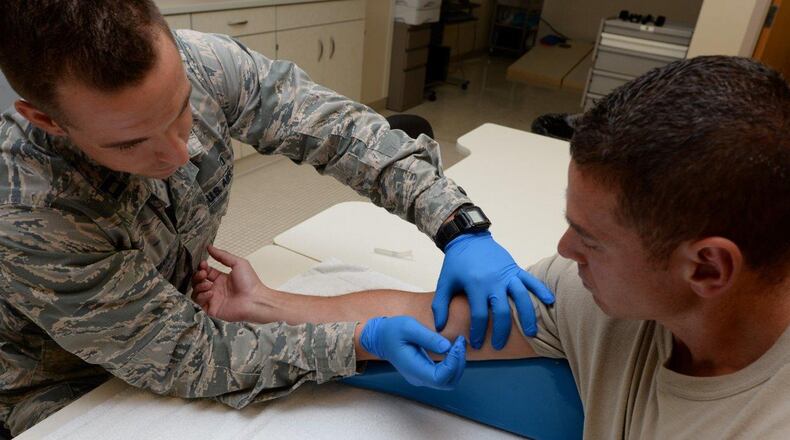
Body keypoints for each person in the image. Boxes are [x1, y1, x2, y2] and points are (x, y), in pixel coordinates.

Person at [0, 1, 554, 436]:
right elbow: (188, 357)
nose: (179, 152)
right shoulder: (29, 209)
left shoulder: (201, 62)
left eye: (181, 109)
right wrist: (359, 340)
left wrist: (458, 224)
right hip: (67, 388)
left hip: (181, 314)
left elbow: (339, 131)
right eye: (131, 143)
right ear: (46, 120)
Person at [191, 56, 790, 438]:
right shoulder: (601, 295)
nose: (562, 249)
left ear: (707, 267)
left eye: (591, 239)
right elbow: (423, 317)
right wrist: (266, 304)